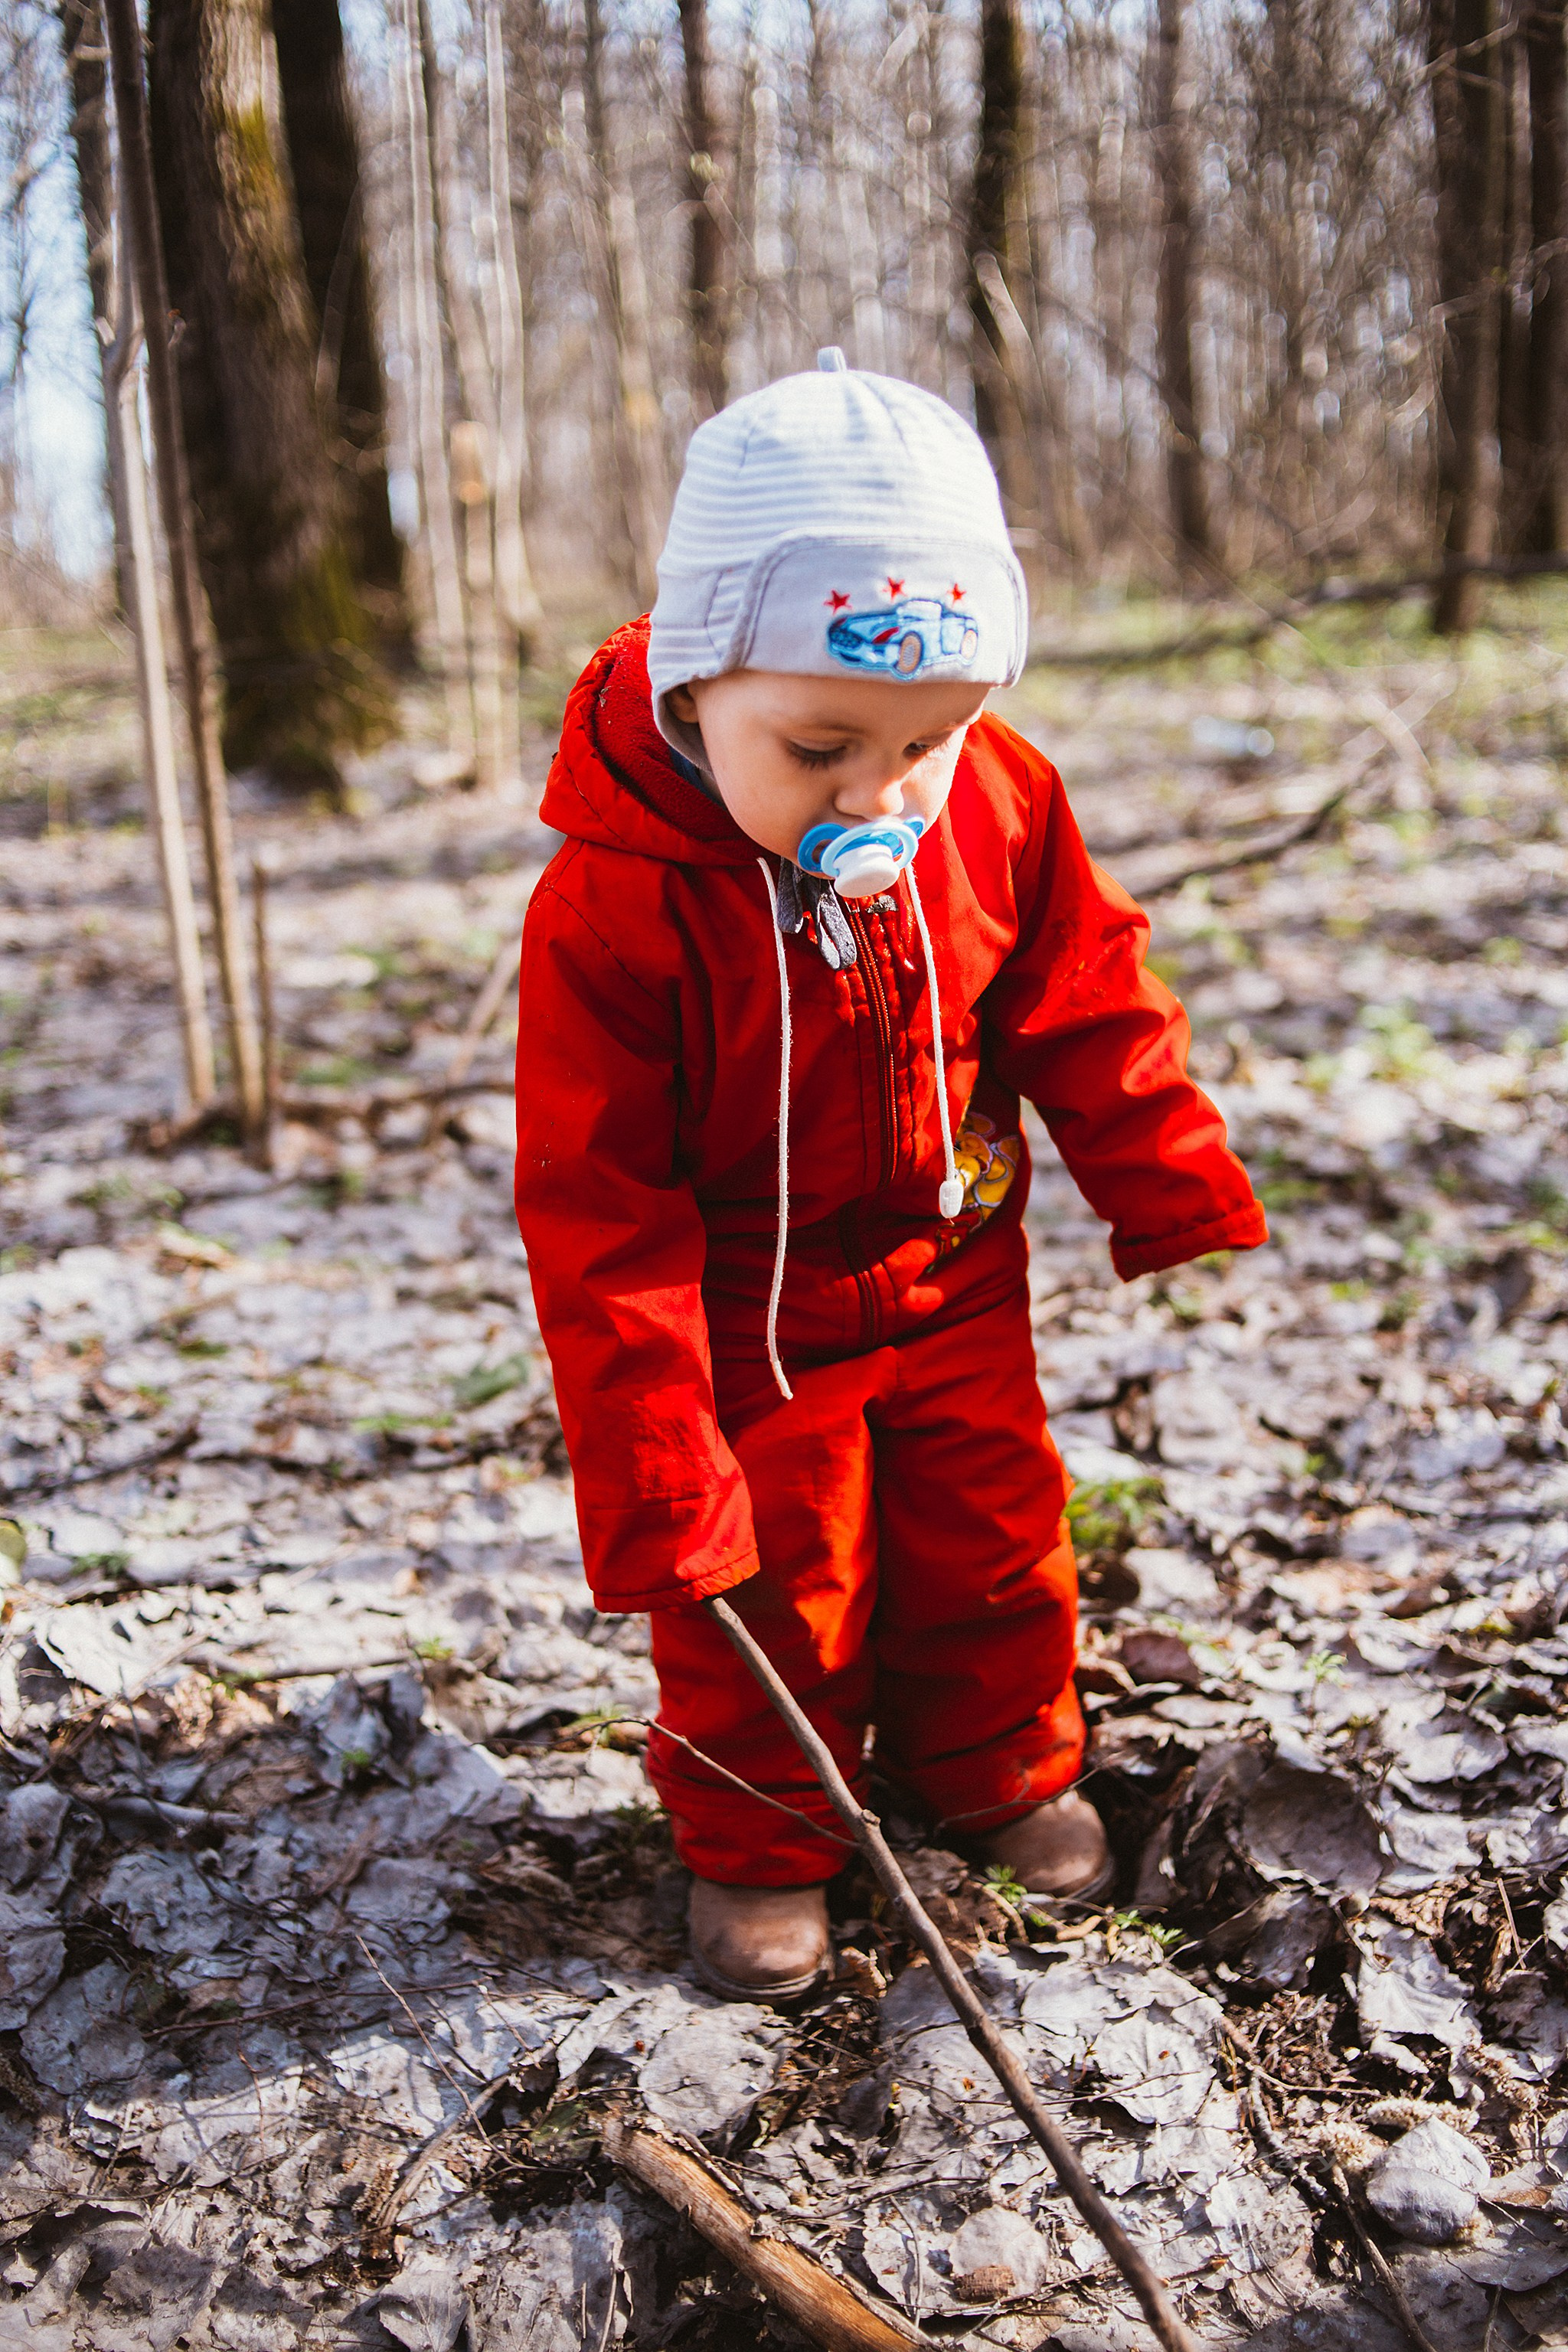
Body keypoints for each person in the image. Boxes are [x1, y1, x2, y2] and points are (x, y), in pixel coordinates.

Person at [514, 351, 1266, 2001]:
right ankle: (762, 1839)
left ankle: (1001, 1766)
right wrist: (651, 1452)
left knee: (993, 1534)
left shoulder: (992, 803)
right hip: (746, 1311)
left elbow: (1086, 986)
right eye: (822, 744)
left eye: (926, 741)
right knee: (769, 1582)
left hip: (953, 1267)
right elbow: (596, 1204)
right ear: (696, 685)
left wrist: (1164, 1169)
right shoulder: (615, 905)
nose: (880, 798)